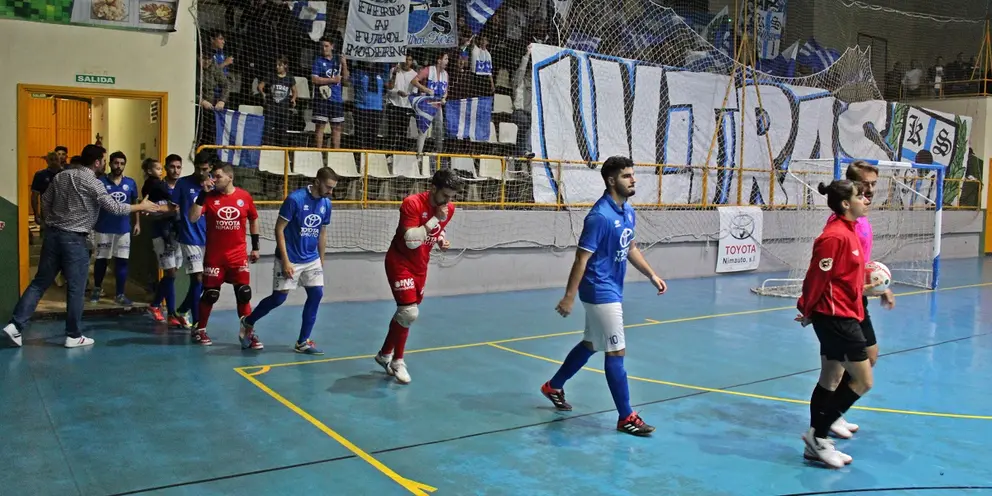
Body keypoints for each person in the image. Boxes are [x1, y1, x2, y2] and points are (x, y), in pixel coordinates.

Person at [538, 156, 668, 436]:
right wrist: (569, 297)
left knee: (590, 344)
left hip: (612, 288)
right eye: (626, 176)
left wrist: (651, 274)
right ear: (611, 180)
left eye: (633, 175)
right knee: (616, 351)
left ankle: (554, 386)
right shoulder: (599, 216)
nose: (633, 180)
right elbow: (580, 259)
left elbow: (630, 247)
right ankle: (626, 417)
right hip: (599, 289)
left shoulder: (627, 211)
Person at [2, 144, 161, 348]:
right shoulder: (93, 183)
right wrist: (142, 206)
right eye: (104, 160)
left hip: (53, 236)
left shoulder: (61, 176)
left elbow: (46, 200)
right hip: (74, 240)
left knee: (39, 283)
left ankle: (15, 325)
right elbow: (114, 207)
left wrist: (52, 221)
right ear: (96, 162)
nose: (105, 164)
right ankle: (73, 335)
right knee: (76, 289)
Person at [796, 179, 873, 469]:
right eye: (860, 196)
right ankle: (817, 436)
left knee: (830, 377)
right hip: (835, 318)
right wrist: (806, 308)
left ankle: (817, 443)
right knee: (863, 381)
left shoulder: (851, 232)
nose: (866, 200)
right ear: (845, 204)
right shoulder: (834, 237)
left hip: (846, 314)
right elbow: (817, 277)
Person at [825, 160, 895, 439]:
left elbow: (861, 261)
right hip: (842, 303)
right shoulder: (840, 222)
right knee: (838, 368)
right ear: (853, 183)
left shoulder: (861, 217)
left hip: (859, 297)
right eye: (865, 184)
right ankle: (825, 421)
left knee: (868, 357)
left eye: (874, 184)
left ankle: (833, 414)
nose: (870, 190)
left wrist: (879, 286)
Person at [374, 169, 460, 384]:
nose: (448, 201)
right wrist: (433, 221)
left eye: (452, 197)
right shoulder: (411, 203)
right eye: (445, 195)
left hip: (420, 264)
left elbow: (438, 229)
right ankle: (397, 361)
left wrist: (440, 238)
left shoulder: (448, 209)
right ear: (433, 189)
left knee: (406, 314)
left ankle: (384, 354)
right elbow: (411, 239)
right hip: (399, 260)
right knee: (409, 312)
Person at [240, 167, 338, 354]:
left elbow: (322, 232)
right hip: (290, 257)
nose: (330, 192)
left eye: (333, 188)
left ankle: (302, 342)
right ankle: (248, 321)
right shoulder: (295, 199)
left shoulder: (326, 203)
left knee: (316, 294)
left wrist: (321, 260)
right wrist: (285, 261)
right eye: (328, 187)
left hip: (312, 258)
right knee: (279, 298)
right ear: (317, 182)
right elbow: (279, 229)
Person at [188, 163, 261, 348]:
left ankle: (247, 333)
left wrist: (256, 246)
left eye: (218, 176)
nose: (213, 179)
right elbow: (192, 217)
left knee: (244, 294)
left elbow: (253, 218)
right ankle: (200, 329)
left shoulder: (244, 197)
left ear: (230, 177)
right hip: (215, 256)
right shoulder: (209, 197)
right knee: (211, 294)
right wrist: (202, 195)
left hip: (238, 256)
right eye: (212, 176)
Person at [171, 151, 214, 329]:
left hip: (211, 238)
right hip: (189, 237)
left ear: (210, 168)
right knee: (197, 278)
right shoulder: (183, 183)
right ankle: (198, 323)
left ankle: (182, 310)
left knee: (207, 282)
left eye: (204, 169)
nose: (201, 172)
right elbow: (173, 207)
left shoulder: (216, 184)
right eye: (198, 168)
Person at [91, 151, 139, 306]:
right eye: (116, 163)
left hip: (123, 229)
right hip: (103, 228)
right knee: (101, 261)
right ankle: (97, 289)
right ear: (110, 164)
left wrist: (137, 223)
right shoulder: (100, 181)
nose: (119, 166)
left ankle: (120, 294)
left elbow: (135, 204)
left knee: (122, 261)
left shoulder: (130, 183)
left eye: (122, 163)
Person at [142, 155, 185, 324]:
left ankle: (155, 304)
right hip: (161, 234)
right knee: (171, 273)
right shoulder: (155, 186)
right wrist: (169, 211)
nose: (176, 170)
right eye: (172, 167)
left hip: (179, 234)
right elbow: (149, 211)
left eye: (179, 167)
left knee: (174, 274)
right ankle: (172, 313)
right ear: (165, 168)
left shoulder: (184, 186)